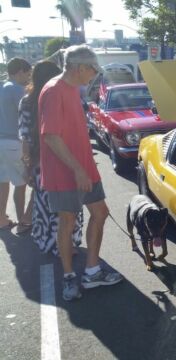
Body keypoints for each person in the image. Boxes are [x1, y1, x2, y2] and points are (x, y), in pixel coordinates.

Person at [39, 45, 122, 301]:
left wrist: (86, 164)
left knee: (101, 213)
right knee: (68, 221)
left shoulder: (73, 89)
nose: (94, 74)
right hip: (65, 172)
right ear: (79, 68)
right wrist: (77, 169)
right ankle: (68, 277)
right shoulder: (54, 90)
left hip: (83, 168)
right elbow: (51, 135)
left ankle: (92, 270)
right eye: (92, 69)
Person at [18, 60, 84, 255]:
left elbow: (26, 137)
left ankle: (49, 242)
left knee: (45, 206)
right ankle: (67, 245)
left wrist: (27, 166)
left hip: (40, 163)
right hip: (67, 160)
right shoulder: (64, 96)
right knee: (68, 205)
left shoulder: (27, 101)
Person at [0, 57, 32, 233]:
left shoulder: (1, 87)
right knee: (21, 184)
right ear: (20, 71)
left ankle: (1, 219)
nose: (28, 78)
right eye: (27, 73)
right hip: (14, 142)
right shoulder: (18, 90)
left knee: (2, 181)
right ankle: (23, 221)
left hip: (0, 141)